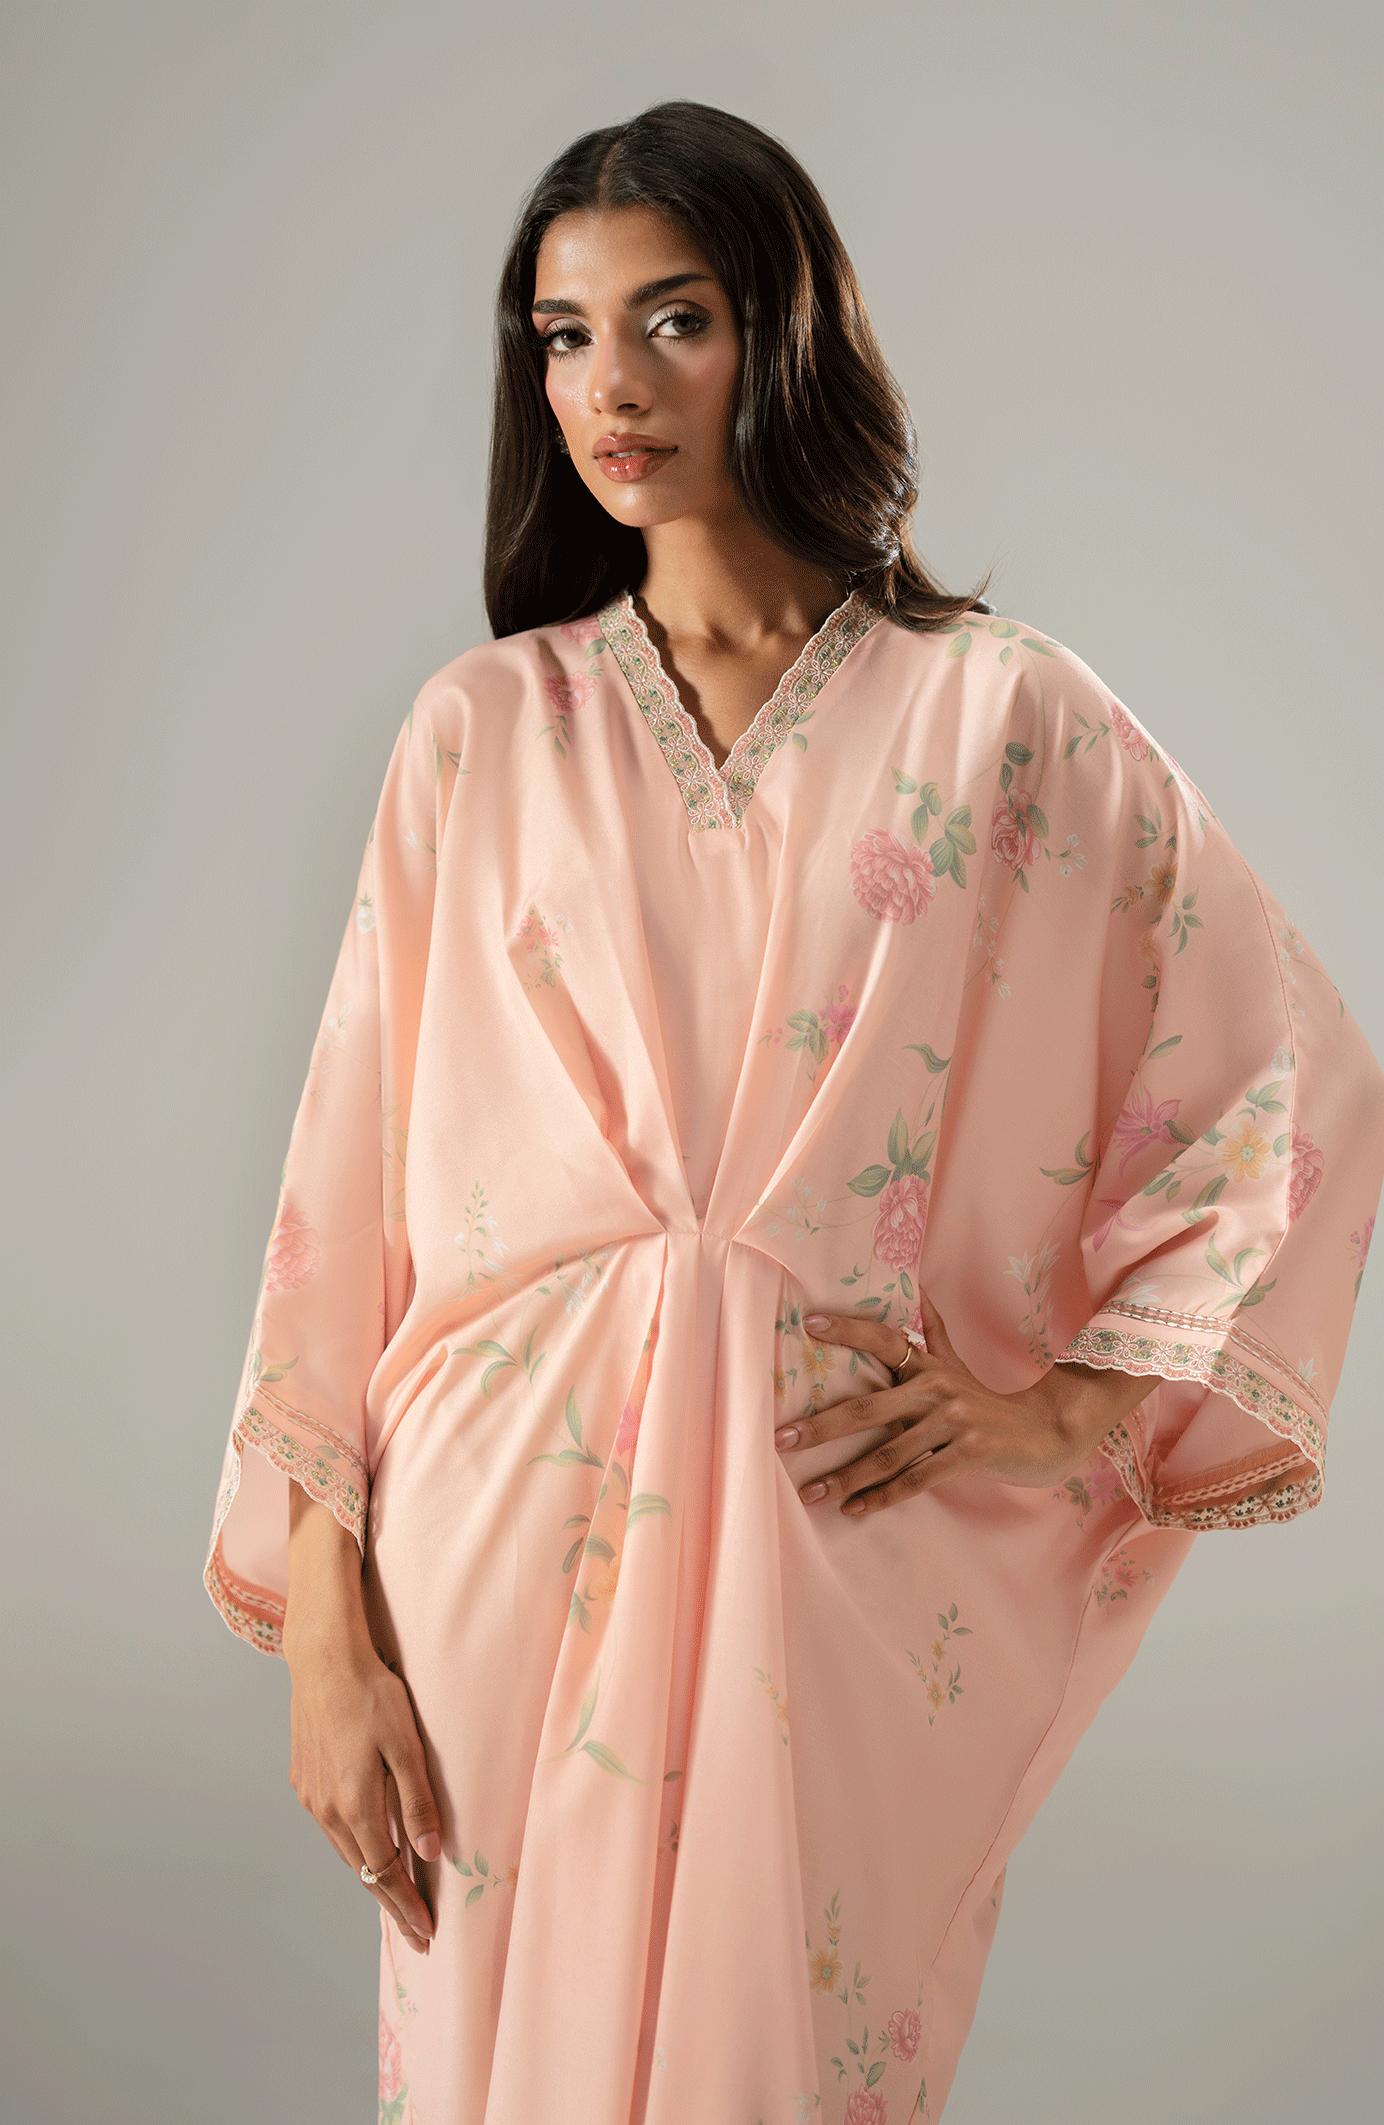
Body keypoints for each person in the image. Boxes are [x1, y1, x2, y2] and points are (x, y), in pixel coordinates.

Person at [204, 100, 1384, 2125]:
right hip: (493, 1549)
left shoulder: (996, 714)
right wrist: (329, 1643)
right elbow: (345, 1205)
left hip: (833, 1552)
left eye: (672, 320)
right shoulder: (481, 732)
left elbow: (1280, 1067)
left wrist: (1076, 1404)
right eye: (563, 335)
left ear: (783, 333)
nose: (610, 385)